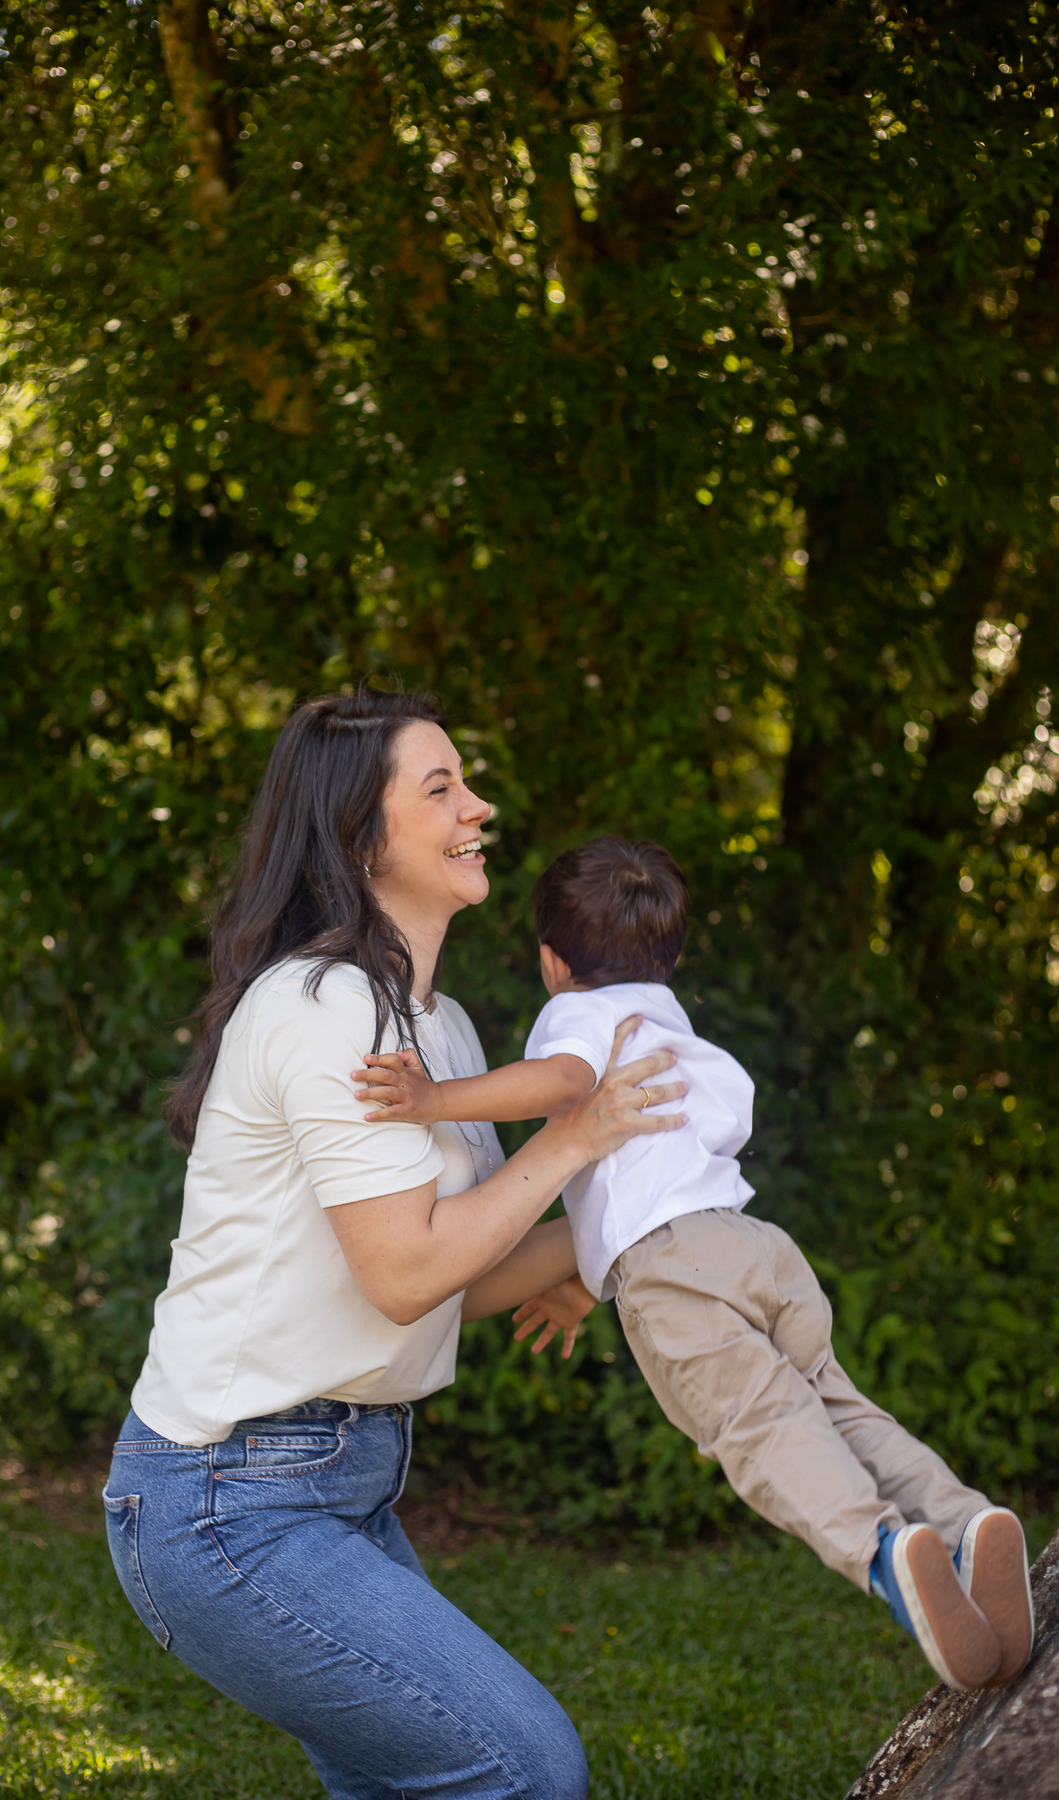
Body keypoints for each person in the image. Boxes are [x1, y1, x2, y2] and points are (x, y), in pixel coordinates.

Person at [104, 694, 687, 1800]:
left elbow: (458, 1276)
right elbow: (408, 1273)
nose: (480, 807)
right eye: (441, 789)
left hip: (338, 1482)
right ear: (360, 838)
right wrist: (576, 1137)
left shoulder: (441, 1028)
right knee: (525, 1765)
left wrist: (603, 1244)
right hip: (227, 1497)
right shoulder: (323, 1008)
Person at [355, 834, 1035, 1694]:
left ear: (553, 960)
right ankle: (964, 1522)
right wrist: (585, 1279)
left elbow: (561, 1086)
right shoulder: (664, 1015)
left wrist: (434, 1100)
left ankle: (885, 1553)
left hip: (676, 1267)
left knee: (761, 1429)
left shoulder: (579, 1014)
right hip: (752, 1246)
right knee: (838, 1407)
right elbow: (647, 1177)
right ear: (668, 956)